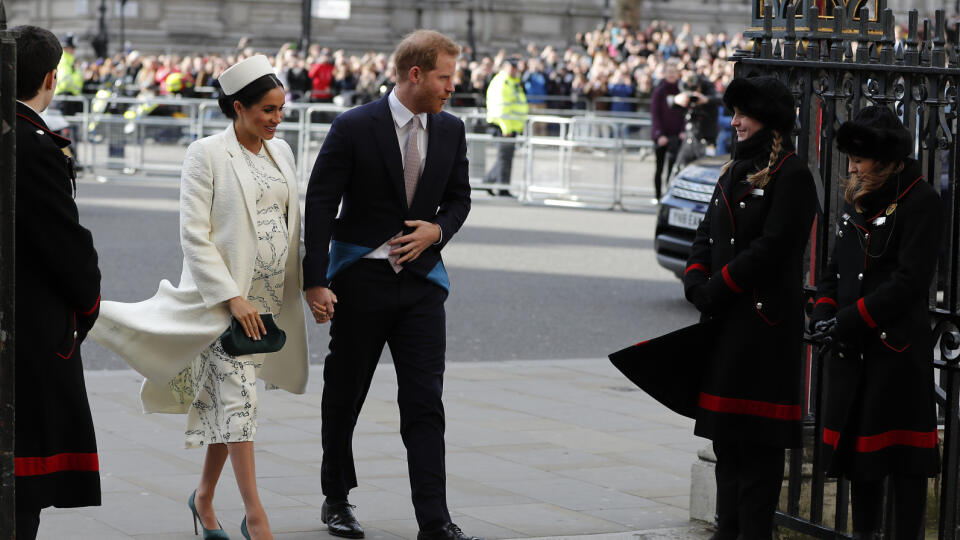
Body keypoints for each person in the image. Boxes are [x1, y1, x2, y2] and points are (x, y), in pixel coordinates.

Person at [90, 55, 309, 540]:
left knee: (230, 405)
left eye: (281, 110)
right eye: (267, 110)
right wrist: (232, 298)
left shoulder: (285, 153)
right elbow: (194, 235)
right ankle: (257, 518)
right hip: (223, 304)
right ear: (238, 107)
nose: (277, 119)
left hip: (269, 300)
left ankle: (204, 498)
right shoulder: (206, 153)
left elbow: (295, 225)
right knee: (239, 402)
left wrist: (311, 284)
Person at [302, 29, 478, 540]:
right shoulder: (353, 126)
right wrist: (316, 281)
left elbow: (461, 199)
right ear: (416, 74)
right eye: (446, 77)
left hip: (422, 285)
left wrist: (438, 229)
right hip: (360, 281)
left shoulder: (452, 129)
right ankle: (336, 498)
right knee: (345, 394)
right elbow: (319, 204)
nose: (453, 86)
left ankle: (435, 521)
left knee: (425, 402)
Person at [682, 76, 817, 540]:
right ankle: (727, 531)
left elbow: (776, 246)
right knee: (728, 445)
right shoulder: (732, 169)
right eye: (734, 111)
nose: (734, 120)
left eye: (743, 112)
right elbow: (708, 232)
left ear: (769, 119)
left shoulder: (793, 174)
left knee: (758, 451)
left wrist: (720, 285)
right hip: (724, 326)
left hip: (763, 329)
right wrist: (695, 278)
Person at [809, 105, 942, 539]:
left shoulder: (920, 200)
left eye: (858, 160)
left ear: (884, 159)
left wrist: (850, 320)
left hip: (895, 356)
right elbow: (834, 269)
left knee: (904, 468)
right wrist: (825, 311)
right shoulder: (859, 197)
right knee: (861, 469)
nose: (851, 168)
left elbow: (909, 281)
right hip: (854, 354)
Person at [11, 25, 102, 540]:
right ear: (51, 77)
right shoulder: (38, 148)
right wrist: (85, 308)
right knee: (23, 486)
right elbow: (70, 255)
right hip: (30, 333)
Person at [483, 57, 528, 196]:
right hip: (503, 127)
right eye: (512, 67)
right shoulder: (502, 82)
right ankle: (502, 188)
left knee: (505, 157)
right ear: (505, 67)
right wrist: (506, 128)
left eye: (516, 68)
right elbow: (501, 108)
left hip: (510, 127)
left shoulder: (513, 82)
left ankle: (489, 182)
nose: (515, 70)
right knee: (504, 158)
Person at [649, 60, 684, 203]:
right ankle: (657, 196)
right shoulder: (659, 90)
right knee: (659, 168)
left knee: (673, 168)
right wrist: (659, 135)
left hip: (676, 136)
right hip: (661, 136)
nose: (671, 75)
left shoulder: (681, 91)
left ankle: (669, 195)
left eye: (673, 72)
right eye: (669, 72)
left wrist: (683, 131)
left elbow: (685, 113)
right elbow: (655, 114)